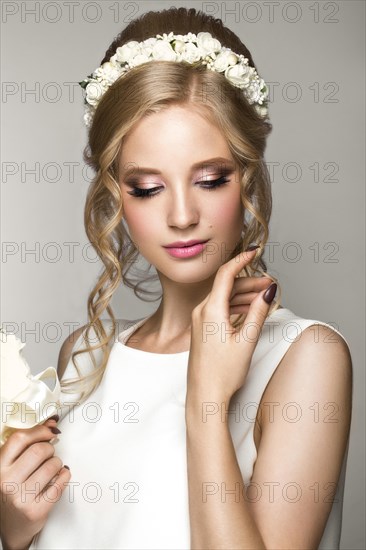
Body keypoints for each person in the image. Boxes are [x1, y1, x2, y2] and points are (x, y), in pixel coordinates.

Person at [0, 6, 352, 550]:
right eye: (146, 187)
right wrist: (16, 534)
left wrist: (207, 398)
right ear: (115, 192)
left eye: (210, 179)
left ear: (248, 177)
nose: (182, 214)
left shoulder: (306, 358)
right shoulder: (85, 356)